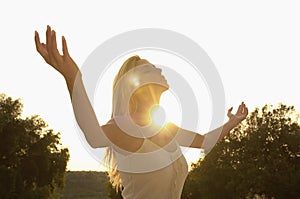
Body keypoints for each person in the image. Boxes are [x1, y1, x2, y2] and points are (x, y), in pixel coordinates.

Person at [34, 25, 248, 199]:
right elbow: (93, 136)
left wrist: (233, 121)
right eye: (149, 69)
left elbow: (204, 141)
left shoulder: (165, 129)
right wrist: (73, 76)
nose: (159, 70)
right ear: (133, 87)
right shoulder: (123, 129)